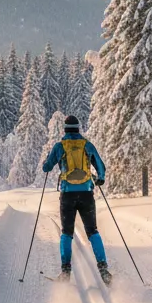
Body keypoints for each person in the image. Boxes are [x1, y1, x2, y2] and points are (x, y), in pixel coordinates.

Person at [40, 114, 111, 284]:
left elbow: (46, 167)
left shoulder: (60, 146)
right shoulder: (87, 145)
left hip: (67, 195)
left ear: (64, 129)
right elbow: (101, 167)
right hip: (86, 194)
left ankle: (65, 272)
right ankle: (104, 270)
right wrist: (99, 178)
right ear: (79, 128)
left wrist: (47, 161)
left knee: (66, 233)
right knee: (93, 231)